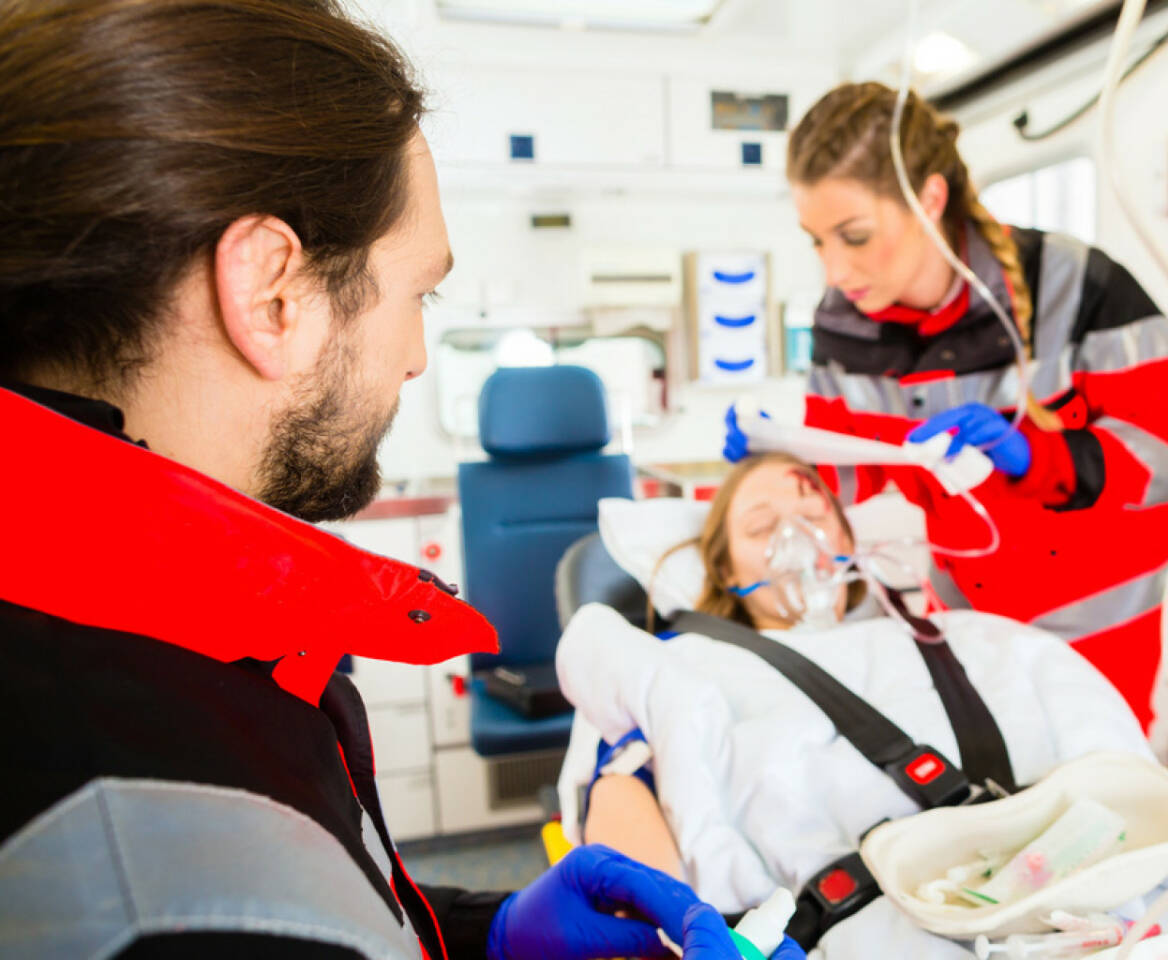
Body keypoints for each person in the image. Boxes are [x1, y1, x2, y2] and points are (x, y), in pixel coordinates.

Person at [0, 2, 800, 958]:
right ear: (273, 294)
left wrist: (482, 935)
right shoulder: (135, 814)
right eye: (418, 292)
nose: (419, 355)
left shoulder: (169, 638)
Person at [726, 82, 1168, 732]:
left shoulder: (1076, 287)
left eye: (853, 236)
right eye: (816, 241)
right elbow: (849, 473)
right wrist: (781, 461)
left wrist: (1042, 459)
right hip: (967, 626)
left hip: (1105, 630)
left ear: (929, 198)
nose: (834, 270)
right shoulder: (845, 327)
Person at [554, 453, 1153, 959]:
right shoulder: (683, 661)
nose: (796, 539)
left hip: (1074, 908)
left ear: (846, 541)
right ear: (723, 565)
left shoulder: (971, 638)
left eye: (814, 516)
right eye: (762, 528)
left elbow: (1120, 766)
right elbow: (620, 790)